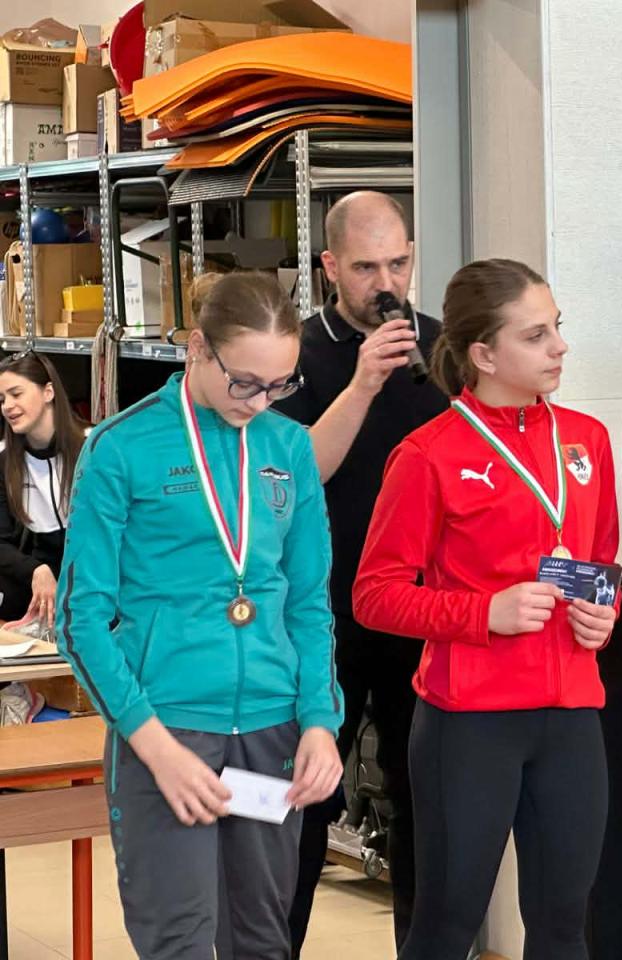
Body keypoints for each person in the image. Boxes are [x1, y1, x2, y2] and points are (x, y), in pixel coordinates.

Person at [56, 272, 345, 960]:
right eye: (244, 382)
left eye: (279, 386)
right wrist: (155, 746)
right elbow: (81, 619)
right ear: (196, 348)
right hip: (167, 726)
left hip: (272, 729)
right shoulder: (122, 447)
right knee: (179, 941)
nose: (259, 402)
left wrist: (320, 721)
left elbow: (309, 604)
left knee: (262, 940)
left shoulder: (288, 448)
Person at [353, 258, 620, 960]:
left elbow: (598, 560)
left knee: (564, 926)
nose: (560, 346)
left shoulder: (587, 439)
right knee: (446, 926)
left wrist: (602, 612)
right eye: (536, 335)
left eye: (556, 327)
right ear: (484, 354)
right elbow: (374, 595)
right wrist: (482, 614)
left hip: (570, 716)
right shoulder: (428, 454)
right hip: (469, 723)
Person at [273, 190, 448, 954]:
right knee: (304, 803)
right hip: (324, 612)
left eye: (399, 264)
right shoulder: (293, 353)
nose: (387, 284)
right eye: (367, 267)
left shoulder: (440, 348)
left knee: (424, 802)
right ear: (330, 266)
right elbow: (296, 476)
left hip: (420, 610)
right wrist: (363, 383)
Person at [0, 351, 88, 628]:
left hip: (92, 574)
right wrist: (36, 571)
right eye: (2, 399)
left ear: (48, 392)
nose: (8, 406)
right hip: (36, 576)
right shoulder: (4, 460)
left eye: (16, 394)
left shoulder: (95, 447)